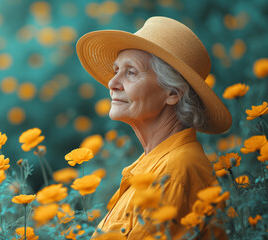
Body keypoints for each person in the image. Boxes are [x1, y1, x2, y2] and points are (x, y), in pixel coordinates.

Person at [76, 16, 231, 239]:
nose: (112, 83)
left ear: (173, 93)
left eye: (131, 72)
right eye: (116, 70)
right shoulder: (152, 164)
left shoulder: (177, 169)